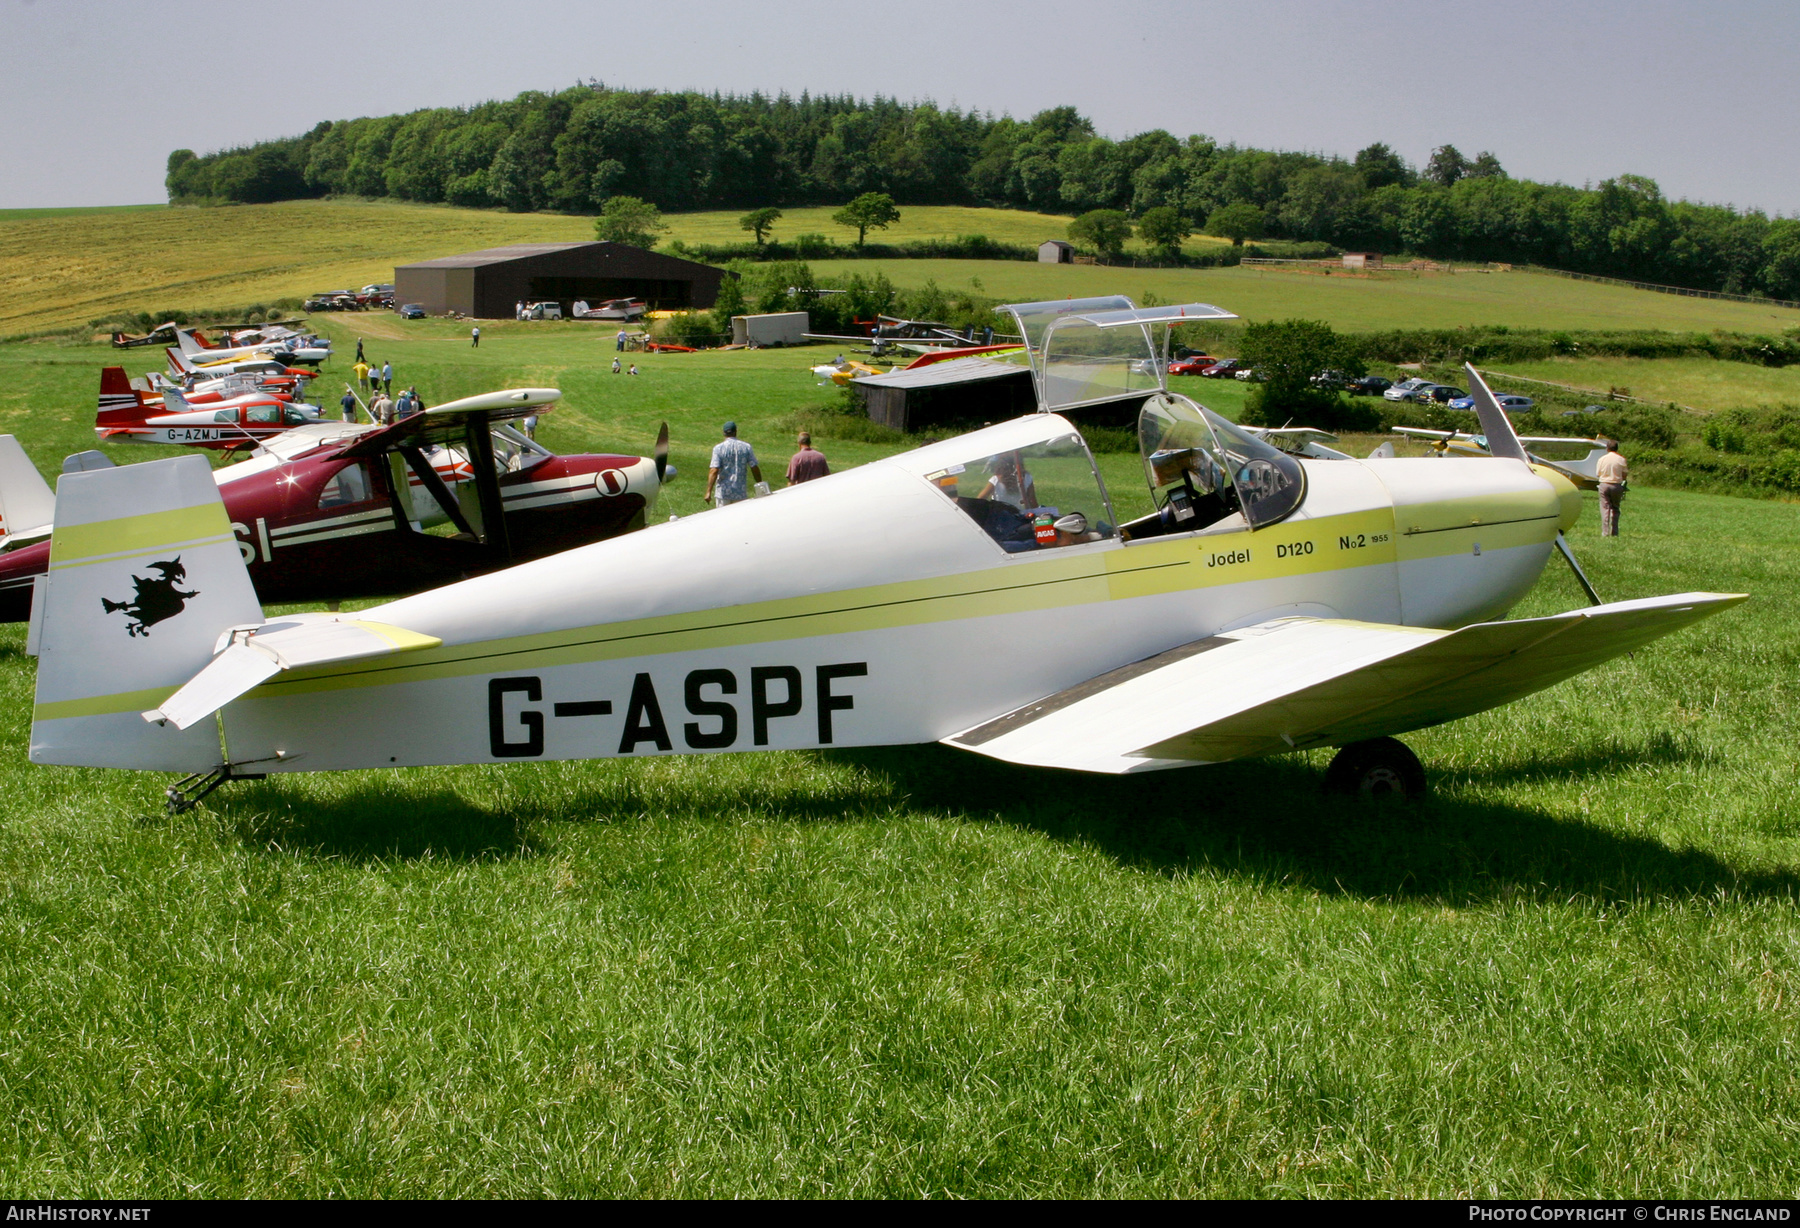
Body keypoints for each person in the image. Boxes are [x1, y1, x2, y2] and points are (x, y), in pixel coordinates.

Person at [705, 422, 762, 507]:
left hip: (723, 494)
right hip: (740, 492)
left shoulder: (718, 449)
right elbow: (754, 467)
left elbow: (714, 470)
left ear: (724, 433)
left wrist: (708, 491)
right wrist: (760, 484)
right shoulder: (746, 447)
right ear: (735, 432)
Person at [1596, 439, 1628, 537]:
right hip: (1616, 485)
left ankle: (1605, 532)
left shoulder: (1602, 459)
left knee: (1605, 508)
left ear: (1607, 448)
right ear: (1617, 448)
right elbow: (1625, 475)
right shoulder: (1622, 459)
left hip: (1604, 484)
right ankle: (1614, 531)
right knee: (1615, 508)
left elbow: (1598, 473)